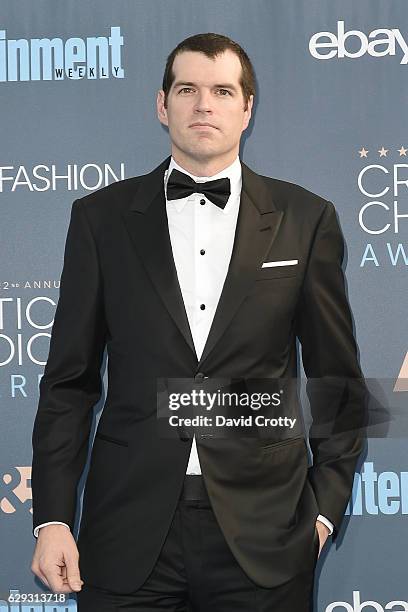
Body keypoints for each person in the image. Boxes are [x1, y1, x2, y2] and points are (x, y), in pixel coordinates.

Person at [31, 33, 366, 611]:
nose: (203, 105)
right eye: (187, 89)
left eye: (221, 91)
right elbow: (69, 383)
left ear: (246, 108)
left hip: (266, 536)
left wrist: (323, 512)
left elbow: (337, 380)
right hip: (128, 532)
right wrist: (54, 519)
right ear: (162, 107)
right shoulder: (100, 220)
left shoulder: (306, 219)